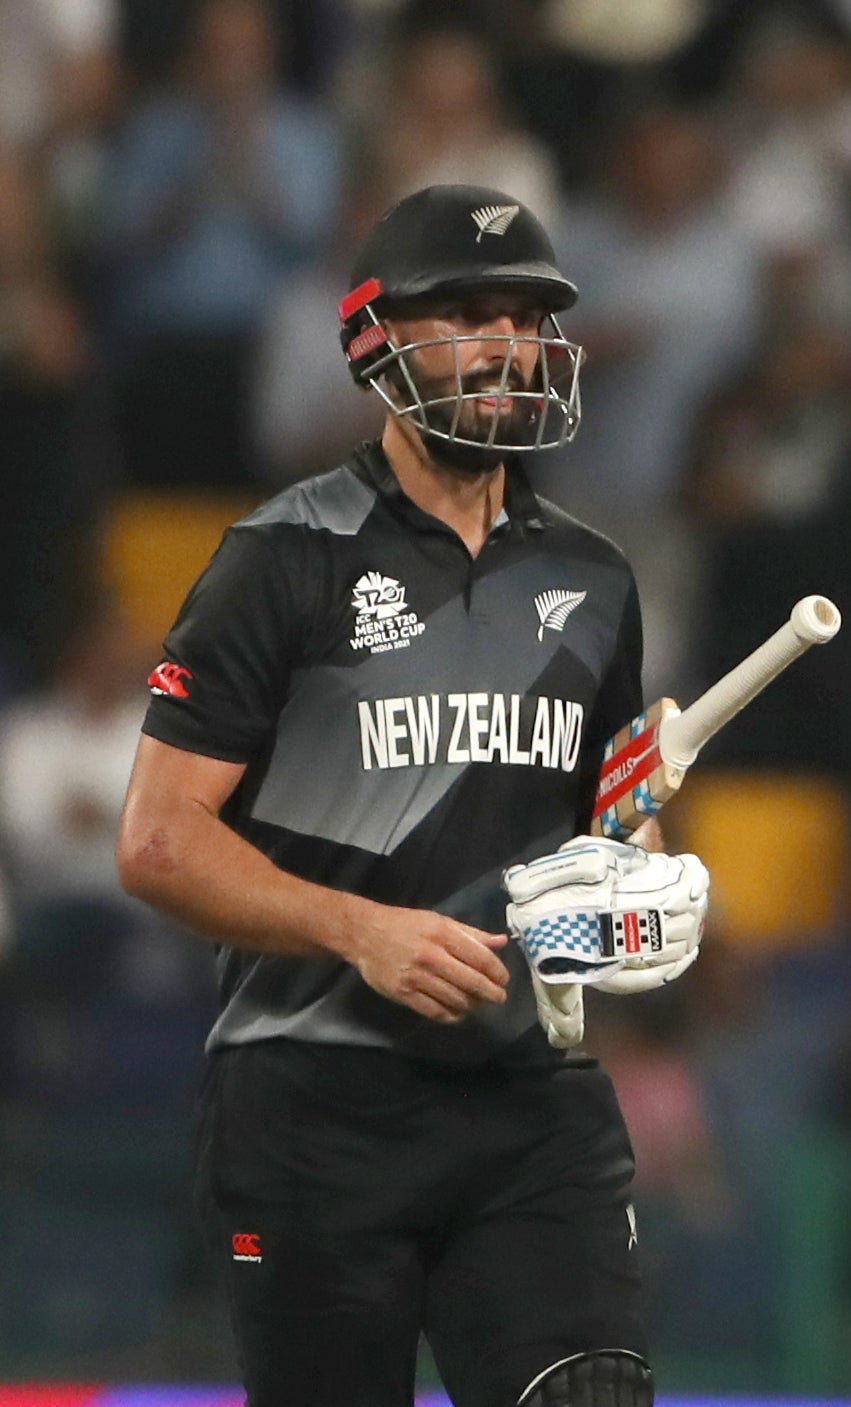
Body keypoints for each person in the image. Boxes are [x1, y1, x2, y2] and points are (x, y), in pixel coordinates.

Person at [113, 184, 711, 1407]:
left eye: (529, 317)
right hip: (312, 1096)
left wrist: (640, 875)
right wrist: (360, 929)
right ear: (376, 343)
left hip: (525, 1093)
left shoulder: (595, 579)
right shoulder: (281, 560)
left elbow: (598, 831)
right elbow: (159, 842)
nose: (508, 343)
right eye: (470, 314)